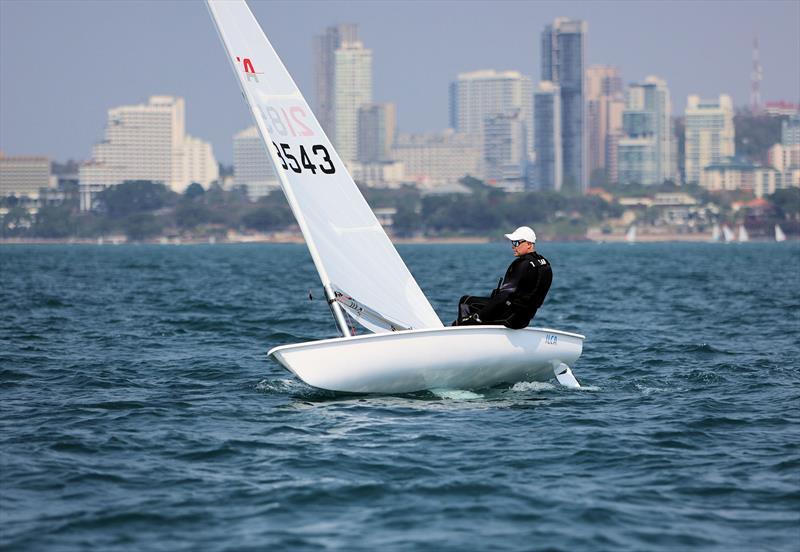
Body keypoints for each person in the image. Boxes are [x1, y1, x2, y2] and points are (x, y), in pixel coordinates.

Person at [453, 226, 552, 329]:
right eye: (512, 243)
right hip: (524, 319)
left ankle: (464, 334)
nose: (513, 246)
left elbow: (503, 296)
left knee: (465, 301)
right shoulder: (545, 264)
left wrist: (479, 317)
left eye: (516, 243)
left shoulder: (522, 264)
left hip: (509, 318)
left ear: (529, 244)